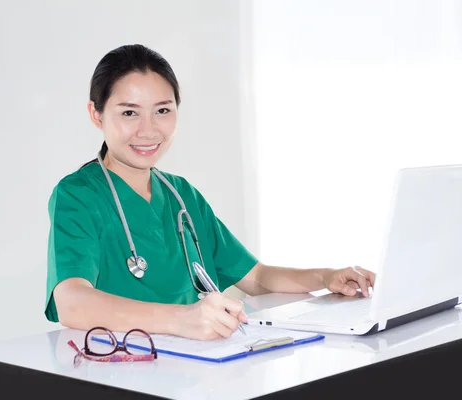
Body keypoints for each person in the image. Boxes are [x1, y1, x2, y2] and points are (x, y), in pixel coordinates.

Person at [45, 44, 375, 341]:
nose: (148, 130)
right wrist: (182, 319)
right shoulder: (78, 196)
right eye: (129, 112)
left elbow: (256, 277)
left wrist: (327, 276)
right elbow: (72, 302)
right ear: (96, 113)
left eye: (162, 110)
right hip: (126, 369)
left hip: (200, 368)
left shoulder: (181, 196)